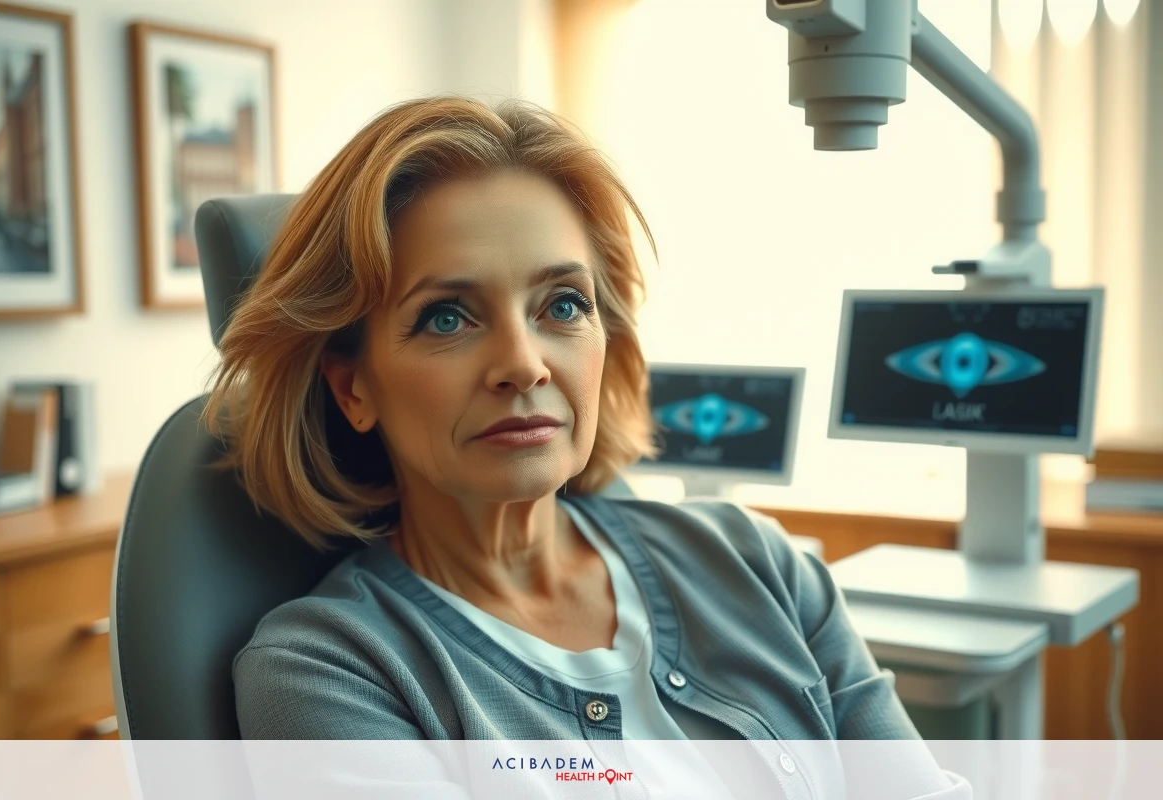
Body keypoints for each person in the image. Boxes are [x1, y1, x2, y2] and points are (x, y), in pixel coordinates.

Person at [203, 96, 968, 799]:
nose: (524, 364)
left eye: (562, 304)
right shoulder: (327, 673)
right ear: (352, 388)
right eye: (446, 318)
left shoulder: (756, 563)